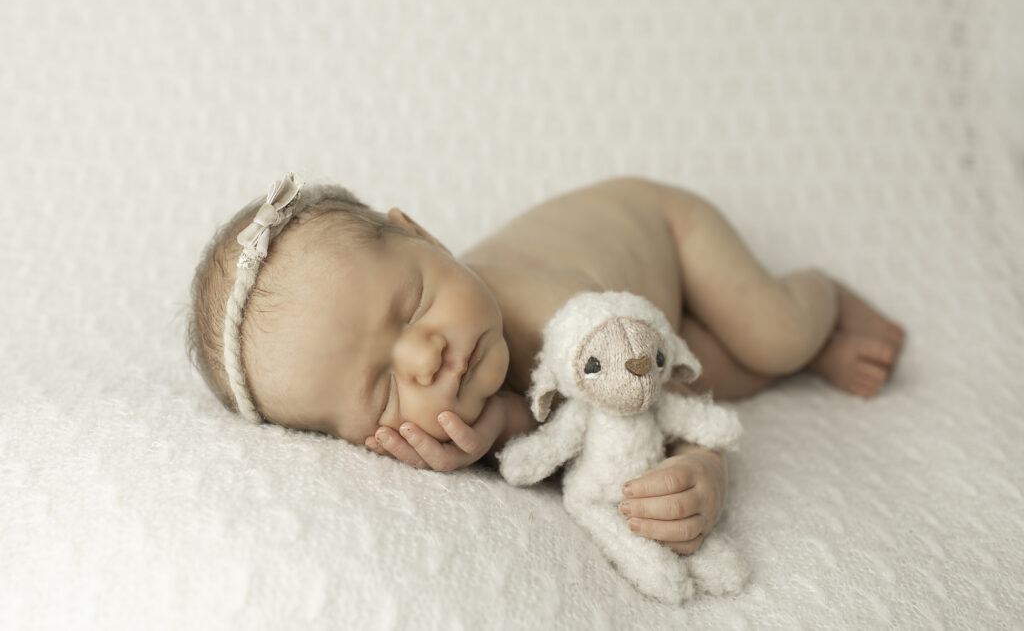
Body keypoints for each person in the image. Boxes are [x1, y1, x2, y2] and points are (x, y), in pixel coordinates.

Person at [187, 175, 904, 556]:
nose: (424, 355)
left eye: (410, 306)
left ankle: (817, 300)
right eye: (380, 388)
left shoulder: (557, 311)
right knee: (725, 367)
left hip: (666, 235)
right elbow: (541, 423)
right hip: (647, 326)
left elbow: (642, 408)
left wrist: (702, 465)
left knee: (768, 339)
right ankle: (798, 350)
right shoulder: (455, 388)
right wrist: (493, 431)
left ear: (422, 235)